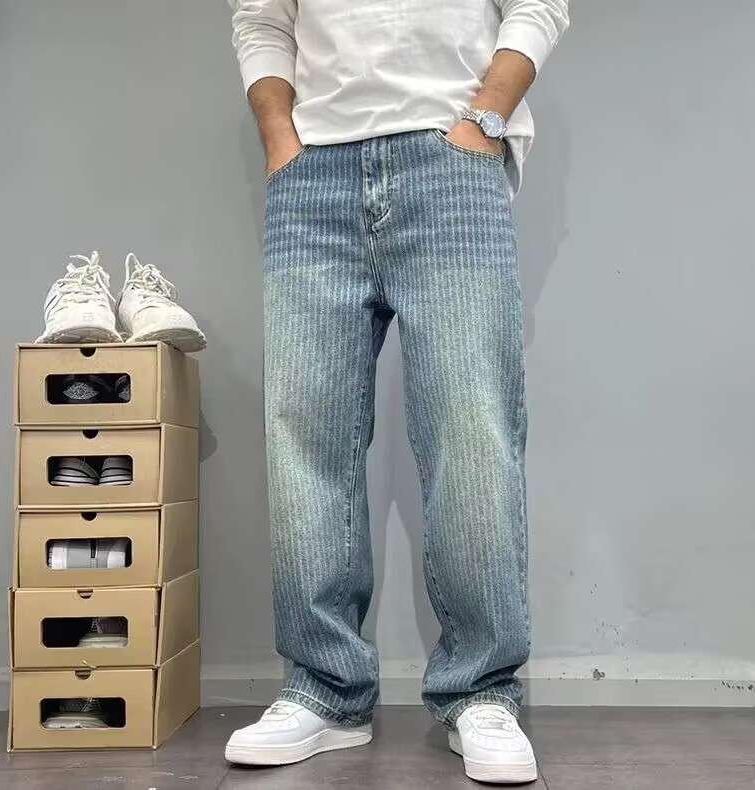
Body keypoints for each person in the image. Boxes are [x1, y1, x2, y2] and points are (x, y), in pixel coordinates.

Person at [224, 0, 569, 783]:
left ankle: (482, 691)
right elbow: (262, 18)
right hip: (313, 171)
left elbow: (539, 5)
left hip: (450, 160)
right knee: (304, 435)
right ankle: (324, 690)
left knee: (471, 429)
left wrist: (484, 121)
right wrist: (281, 140)